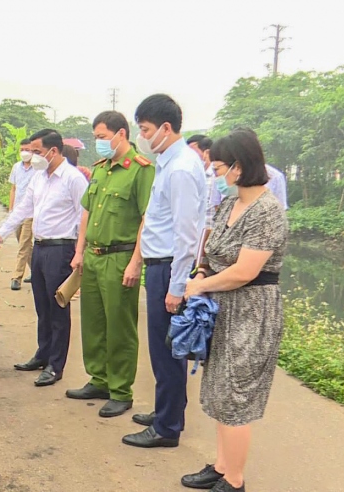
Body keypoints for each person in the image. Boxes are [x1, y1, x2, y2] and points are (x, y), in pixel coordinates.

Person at [180, 128, 288, 492]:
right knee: (219, 389)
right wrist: (202, 271)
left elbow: (245, 271)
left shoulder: (267, 211)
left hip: (252, 312)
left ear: (239, 167)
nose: (215, 175)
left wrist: (201, 285)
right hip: (222, 309)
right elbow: (213, 252)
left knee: (237, 395)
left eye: (219, 167)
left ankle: (235, 480)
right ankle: (222, 465)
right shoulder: (230, 203)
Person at [122, 94, 206, 448]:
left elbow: (187, 235)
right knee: (162, 347)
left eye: (144, 129)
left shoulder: (183, 168)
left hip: (169, 269)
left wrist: (177, 286)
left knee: (167, 350)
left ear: (166, 128)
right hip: (158, 266)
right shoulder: (167, 164)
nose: (141, 136)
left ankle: (167, 427)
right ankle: (166, 412)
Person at [67, 111, 155, 418]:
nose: (98, 143)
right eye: (96, 137)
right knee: (93, 322)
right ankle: (99, 379)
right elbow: (87, 213)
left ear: (121, 134)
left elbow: (147, 218)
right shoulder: (100, 169)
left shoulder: (140, 170)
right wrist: (79, 251)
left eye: (102, 137)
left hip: (120, 257)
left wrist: (135, 263)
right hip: (93, 254)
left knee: (120, 326)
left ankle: (120, 390)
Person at [0, 129, 88, 387]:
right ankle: (42, 354)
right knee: (42, 306)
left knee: (58, 309)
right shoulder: (38, 178)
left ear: (53, 151)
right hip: (40, 247)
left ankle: (56, 365)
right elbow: (23, 208)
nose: (31, 156)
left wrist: (79, 253)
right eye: (30, 151)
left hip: (61, 249)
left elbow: (83, 217)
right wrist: (0, 232)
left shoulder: (73, 179)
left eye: (36, 151)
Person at [8, 138, 36, 291]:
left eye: (28, 149)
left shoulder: (38, 169)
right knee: (25, 244)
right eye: (22, 150)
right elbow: (13, 188)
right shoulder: (16, 167)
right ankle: (36, 271)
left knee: (23, 244)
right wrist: (11, 209)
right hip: (17, 211)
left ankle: (16, 277)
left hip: (31, 213)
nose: (25, 152)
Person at [188, 134, 222, 231]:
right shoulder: (192, 177)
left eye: (193, 153)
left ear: (206, 152)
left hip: (212, 235)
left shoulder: (217, 177)